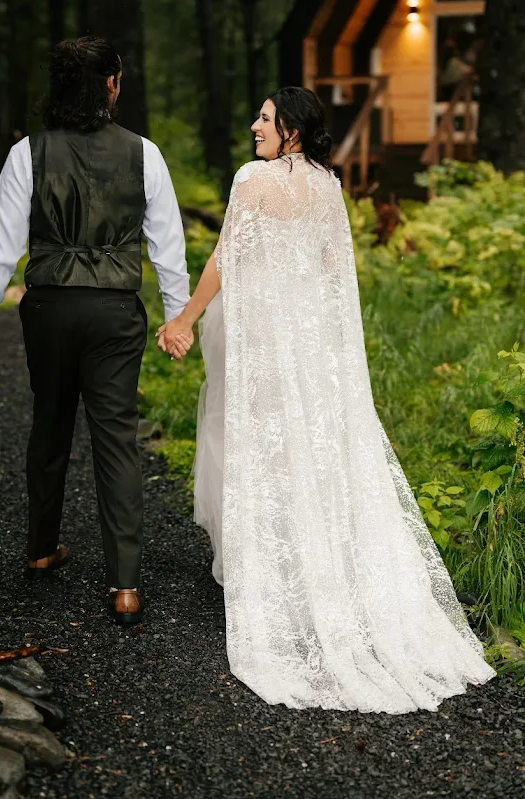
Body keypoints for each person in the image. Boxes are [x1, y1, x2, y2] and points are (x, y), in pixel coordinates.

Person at [157, 87, 496, 713]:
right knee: (314, 450)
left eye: (263, 118)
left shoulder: (252, 180)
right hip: (313, 343)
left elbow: (227, 256)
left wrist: (183, 319)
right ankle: (318, 571)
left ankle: (275, 578)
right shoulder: (329, 187)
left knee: (265, 446)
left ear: (290, 130)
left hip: (264, 339)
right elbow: (337, 276)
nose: (253, 125)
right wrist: (338, 359)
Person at [0, 36, 189, 625]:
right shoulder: (145, 154)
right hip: (114, 311)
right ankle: (125, 586)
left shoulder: (28, 154)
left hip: (50, 308)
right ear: (112, 84)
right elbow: (167, 245)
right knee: (116, 436)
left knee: (51, 420)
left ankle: (41, 550)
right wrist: (177, 315)